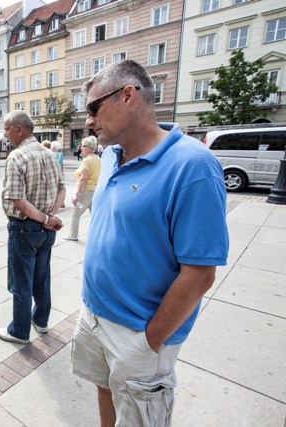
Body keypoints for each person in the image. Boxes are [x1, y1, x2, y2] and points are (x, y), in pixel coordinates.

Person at [70, 59, 229, 426]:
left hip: (139, 331)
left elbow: (200, 273)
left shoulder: (192, 164)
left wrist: (149, 341)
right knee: (106, 390)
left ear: (128, 95)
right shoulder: (110, 156)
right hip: (94, 314)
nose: (89, 121)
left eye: (94, 108)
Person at [0, 110, 66, 345]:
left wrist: (46, 219)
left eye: (7, 128)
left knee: (21, 283)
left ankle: (19, 331)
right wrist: (50, 216)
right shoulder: (50, 154)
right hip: (45, 230)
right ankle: (41, 320)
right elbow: (61, 189)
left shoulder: (17, 157)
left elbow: (18, 201)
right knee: (41, 277)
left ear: (19, 128)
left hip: (25, 228)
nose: (5, 134)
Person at [63, 136, 100, 241]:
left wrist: (77, 196)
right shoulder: (98, 159)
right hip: (95, 190)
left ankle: (73, 235)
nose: (81, 148)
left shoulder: (87, 161)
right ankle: (96, 236)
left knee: (75, 213)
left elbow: (83, 179)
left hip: (86, 190)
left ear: (89, 147)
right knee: (94, 215)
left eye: (83, 146)